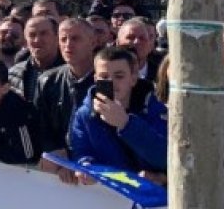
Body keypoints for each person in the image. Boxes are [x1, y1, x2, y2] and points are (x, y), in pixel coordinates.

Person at [69, 47, 167, 177]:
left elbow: (165, 157)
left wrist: (126, 124)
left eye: (119, 76)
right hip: (107, 193)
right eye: (104, 76)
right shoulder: (85, 114)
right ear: (95, 79)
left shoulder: (155, 108)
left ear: (133, 78)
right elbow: (81, 151)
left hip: (147, 192)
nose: (112, 82)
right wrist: (87, 166)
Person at [35, 18, 97, 180]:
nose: (68, 44)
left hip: (96, 169)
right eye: (63, 39)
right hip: (58, 171)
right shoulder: (47, 81)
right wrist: (56, 153)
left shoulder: (107, 81)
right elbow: (41, 125)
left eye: (75, 38)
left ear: (92, 42)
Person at [8, 16, 63, 103]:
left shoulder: (69, 74)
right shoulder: (13, 74)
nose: (37, 40)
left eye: (43, 33)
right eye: (32, 35)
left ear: (57, 37)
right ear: (26, 41)